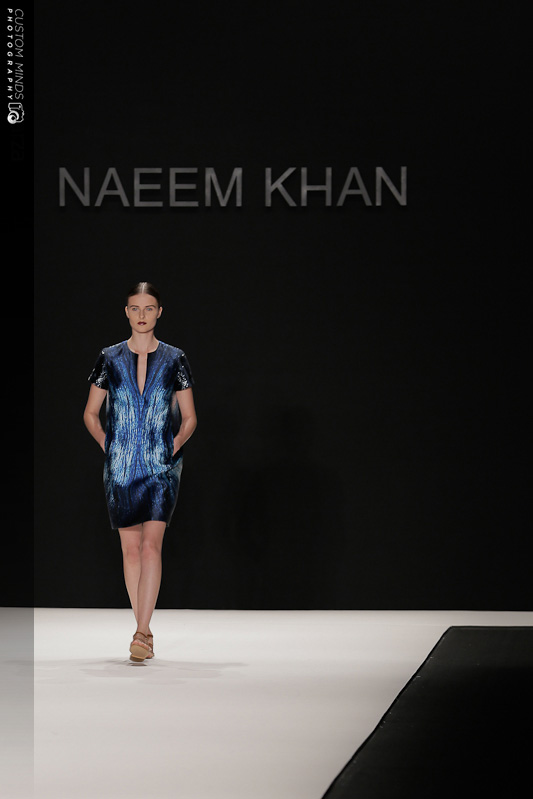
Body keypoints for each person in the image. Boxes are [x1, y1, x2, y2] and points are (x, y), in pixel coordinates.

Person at [83, 282, 197, 662]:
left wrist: (173, 446)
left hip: (161, 467)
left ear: (159, 312)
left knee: (151, 546)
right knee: (130, 550)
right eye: (135, 308)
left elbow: (190, 417)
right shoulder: (109, 357)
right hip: (120, 467)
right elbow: (90, 413)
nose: (142, 315)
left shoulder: (175, 358)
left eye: (149, 308)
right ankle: (144, 631)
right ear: (127, 312)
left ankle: (141, 632)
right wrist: (108, 444)